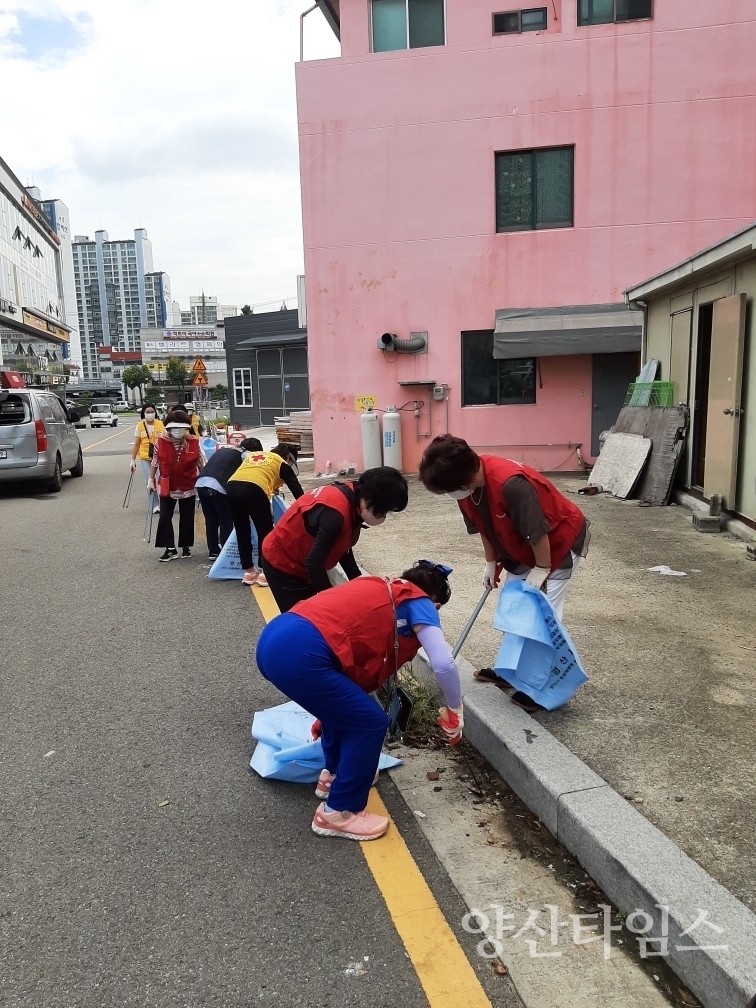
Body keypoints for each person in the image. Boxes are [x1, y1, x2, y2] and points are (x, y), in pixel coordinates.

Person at [256, 561, 463, 841]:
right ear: (435, 601)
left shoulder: (377, 586)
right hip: (301, 654)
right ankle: (339, 812)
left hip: (277, 637)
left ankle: (333, 776)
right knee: (368, 722)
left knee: (348, 711)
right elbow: (444, 664)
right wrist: (455, 709)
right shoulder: (420, 602)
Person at [418, 434, 589, 712]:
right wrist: (490, 563)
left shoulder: (511, 484)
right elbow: (483, 526)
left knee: (544, 617)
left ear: (466, 476)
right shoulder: (466, 491)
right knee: (516, 608)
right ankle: (513, 671)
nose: (450, 496)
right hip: (520, 547)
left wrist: (542, 569)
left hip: (555, 543)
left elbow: (538, 532)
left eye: (449, 489)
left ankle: (543, 688)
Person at [261, 467, 409, 613]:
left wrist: (362, 586)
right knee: (304, 621)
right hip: (282, 564)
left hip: (303, 564)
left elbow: (343, 548)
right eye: (382, 510)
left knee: (317, 616)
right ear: (371, 498)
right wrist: (332, 602)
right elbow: (314, 563)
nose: (383, 516)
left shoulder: (354, 497)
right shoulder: (334, 513)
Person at [226, 444, 305, 586]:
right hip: (254, 490)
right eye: (292, 463)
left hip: (231, 487)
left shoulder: (253, 456)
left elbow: (251, 474)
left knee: (242, 530)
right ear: (288, 457)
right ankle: (265, 573)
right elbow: (298, 493)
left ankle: (249, 572)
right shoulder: (281, 463)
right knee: (265, 532)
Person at [148, 411, 203, 562]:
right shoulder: (161, 442)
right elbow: (155, 462)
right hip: (167, 485)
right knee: (165, 516)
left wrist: (205, 480)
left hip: (188, 484)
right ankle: (170, 548)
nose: (178, 431)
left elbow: (201, 463)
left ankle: (186, 546)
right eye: (175, 428)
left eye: (182, 428)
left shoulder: (193, 442)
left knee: (186, 517)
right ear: (169, 428)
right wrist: (151, 479)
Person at [195, 437, 262, 559]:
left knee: (211, 520)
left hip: (201, 483)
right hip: (217, 486)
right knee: (225, 519)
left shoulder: (225, 450)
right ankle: (226, 554)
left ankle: (213, 551)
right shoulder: (245, 454)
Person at [129, 403, 164, 512]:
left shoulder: (160, 424)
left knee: (161, 480)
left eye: (152, 412)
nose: (150, 414)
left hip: (159, 456)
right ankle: (155, 505)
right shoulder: (139, 426)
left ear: (155, 412)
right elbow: (136, 444)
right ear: (143, 413)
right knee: (149, 480)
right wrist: (132, 460)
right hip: (145, 457)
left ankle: (164, 503)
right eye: (147, 412)